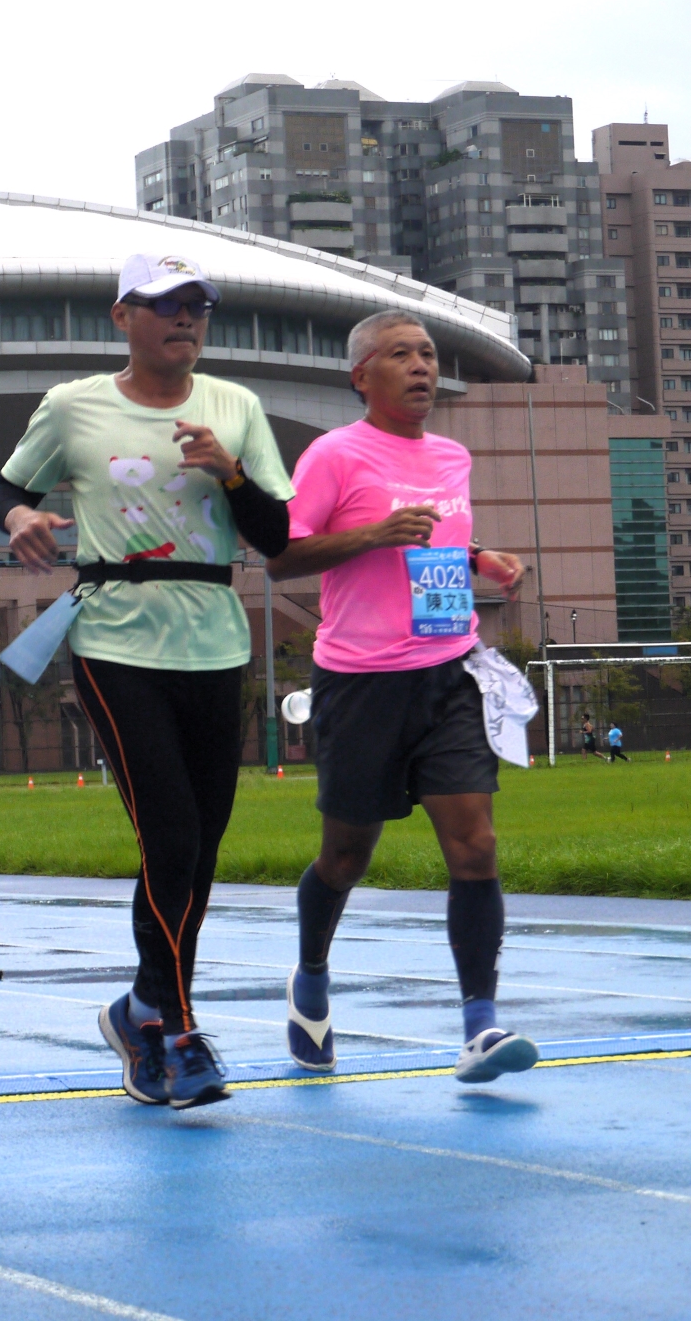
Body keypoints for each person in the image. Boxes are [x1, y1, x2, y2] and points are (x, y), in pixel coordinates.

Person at [0, 252, 296, 1109]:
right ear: (122, 316)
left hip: (216, 641)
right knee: (169, 837)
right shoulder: (74, 406)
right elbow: (5, 488)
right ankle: (180, 1033)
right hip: (115, 640)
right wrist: (21, 516)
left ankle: (140, 1012)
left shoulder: (235, 407)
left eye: (197, 305)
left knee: (199, 848)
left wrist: (230, 471)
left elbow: (277, 537)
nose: (185, 318)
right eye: (165, 304)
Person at [265, 308, 538, 1085]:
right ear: (362, 376)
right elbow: (282, 556)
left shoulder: (452, 456)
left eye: (428, 354)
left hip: (450, 672)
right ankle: (311, 977)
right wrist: (374, 536)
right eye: (401, 355)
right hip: (360, 684)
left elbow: (434, 541)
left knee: (475, 845)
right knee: (346, 856)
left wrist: (481, 559)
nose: (422, 366)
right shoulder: (334, 454)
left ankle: (480, 1027)